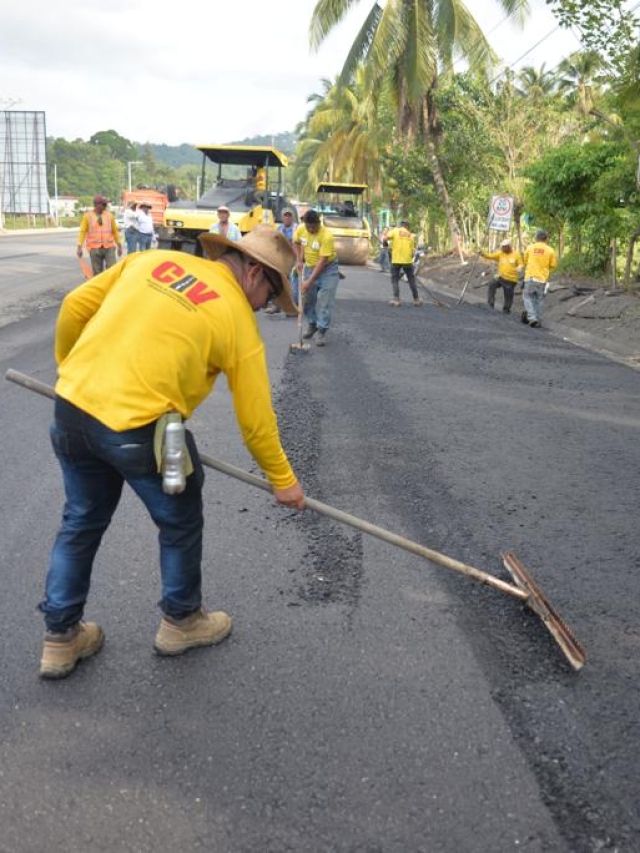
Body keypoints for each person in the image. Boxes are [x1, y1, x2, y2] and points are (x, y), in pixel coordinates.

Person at [38, 225, 305, 679]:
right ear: (255, 273)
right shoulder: (236, 318)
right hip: (140, 428)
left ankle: (60, 640)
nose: (263, 308)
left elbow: (75, 306)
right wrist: (284, 481)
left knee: (81, 520)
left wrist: (71, 371)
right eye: (269, 295)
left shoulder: (149, 261)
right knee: (179, 520)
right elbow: (256, 423)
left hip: (73, 410)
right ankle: (181, 621)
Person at [293, 209, 340, 347]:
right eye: (309, 226)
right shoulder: (301, 229)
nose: (311, 229)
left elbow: (322, 261)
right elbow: (295, 242)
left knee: (324, 300)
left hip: (328, 269)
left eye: (314, 226)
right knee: (306, 299)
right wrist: (299, 259)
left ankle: (321, 330)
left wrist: (309, 281)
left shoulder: (327, 236)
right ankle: (312, 324)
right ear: (305, 224)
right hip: (309, 266)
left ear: (319, 223)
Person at [77, 195, 123, 276]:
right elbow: (82, 232)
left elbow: (115, 231)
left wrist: (119, 245)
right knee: (97, 273)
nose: (106, 206)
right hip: (94, 249)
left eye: (106, 204)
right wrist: (79, 247)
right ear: (97, 204)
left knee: (112, 269)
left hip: (109, 247)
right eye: (104, 204)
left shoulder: (109, 216)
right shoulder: (87, 216)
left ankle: (111, 286)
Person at [522, 229, 557, 328]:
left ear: (536, 238)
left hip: (530, 277)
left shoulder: (530, 248)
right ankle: (537, 319)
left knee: (527, 297)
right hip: (542, 280)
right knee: (539, 300)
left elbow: (525, 261)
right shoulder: (550, 250)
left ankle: (532, 318)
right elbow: (553, 265)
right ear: (546, 239)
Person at [266, 208, 298, 315]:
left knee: (293, 284)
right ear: (282, 217)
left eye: (289, 216)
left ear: (292, 217)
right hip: (281, 259)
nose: (287, 218)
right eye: (285, 216)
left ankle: (292, 308)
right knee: (278, 281)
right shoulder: (279, 228)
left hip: (294, 259)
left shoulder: (297, 228)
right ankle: (277, 305)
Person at [481, 238, 523, 314]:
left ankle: (506, 309)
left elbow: (521, 264)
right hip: (500, 277)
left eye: (504, 247)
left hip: (511, 279)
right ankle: (490, 304)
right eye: (502, 247)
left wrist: (519, 267)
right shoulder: (500, 253)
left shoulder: (516, 254)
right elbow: (490, 256)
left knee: (508, 295)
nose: (503, 248)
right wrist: (482, 253)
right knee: (492, 284)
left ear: (509, 246)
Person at [387, 220, 423, 307]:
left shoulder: (395, 231)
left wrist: (385, 244)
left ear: (401, 225)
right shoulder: (410, 235)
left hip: (396, 260)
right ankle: (416, 299)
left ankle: (396, 299)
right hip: (407, 261)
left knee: (395, 279)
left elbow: (386, 238)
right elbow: (412, 252)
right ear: (408, 227)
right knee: (411, 280)